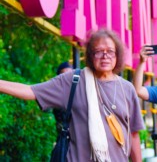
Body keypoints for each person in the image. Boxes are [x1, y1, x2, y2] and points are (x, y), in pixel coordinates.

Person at [0, 28, 144, 161]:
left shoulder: (127, 89)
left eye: (110, 51)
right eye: (98, 51)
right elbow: (31, 91)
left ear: (117, 55)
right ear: (90, 55)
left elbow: (133, 134)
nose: (105, 56)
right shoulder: (73, 81)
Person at [53, 61, 74, 136]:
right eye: (64, 74)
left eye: (70, 74)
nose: (67, 77)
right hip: (62, 136)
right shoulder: (55, 93)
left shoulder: (82, 91)